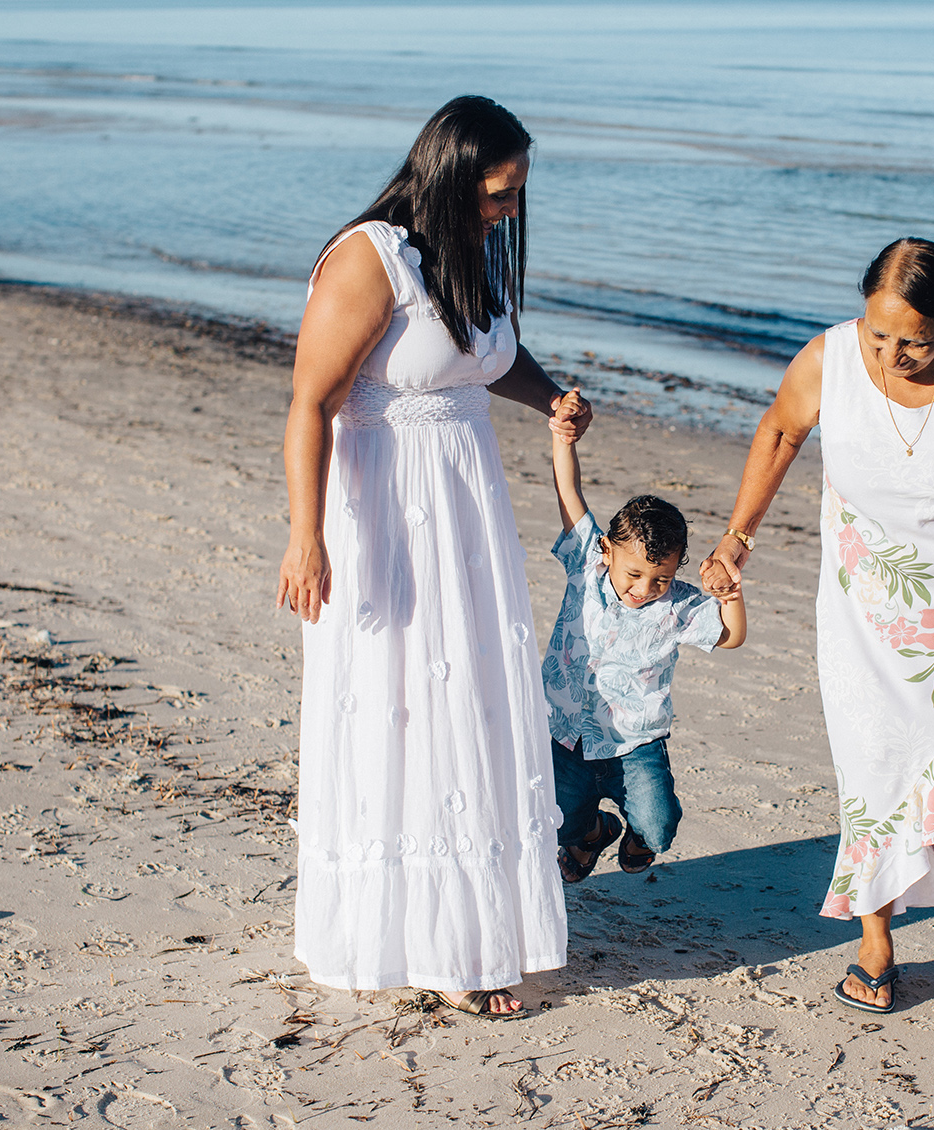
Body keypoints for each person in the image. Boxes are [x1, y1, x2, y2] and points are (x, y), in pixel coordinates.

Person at [275, 96, 591, 1019]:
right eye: (499, 194)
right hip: (387, 511)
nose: (511, 211)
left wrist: (550, 398)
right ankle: (435, 940)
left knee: (474, 703)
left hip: (466, 515)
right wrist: (309, 536)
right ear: (452, 177)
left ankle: (469, 920)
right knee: (405, 706)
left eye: (517, 195)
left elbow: (487, 357)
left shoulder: (463, 251)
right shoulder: (367, 259)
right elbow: (308, 403)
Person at [700, 237, 934, 1013]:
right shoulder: (830, 358)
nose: (892, 353)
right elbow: (777, 433)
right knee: (870, 770)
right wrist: (737, 536)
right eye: (879, 335)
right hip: (864, 613)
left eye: (915, 340)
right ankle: (875, 940)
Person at [543, 391, 747, 882]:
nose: (643, 589)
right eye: (634, 573)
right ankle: (592, 833)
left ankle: (637, 834)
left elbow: (732, 637)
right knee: (558, 823)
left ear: (676, 569)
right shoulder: (585, 565)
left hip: (636, 742)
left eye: (659, 578)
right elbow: (569, 492)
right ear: (607, 550)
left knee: (659, 828)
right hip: (566, 732)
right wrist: (562, 438)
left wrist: (730, 593)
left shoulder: (677, 604)